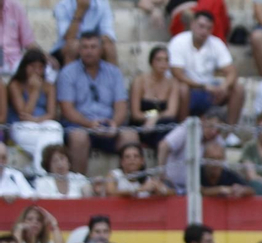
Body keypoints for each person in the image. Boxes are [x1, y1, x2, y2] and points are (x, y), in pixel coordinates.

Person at [56, 32, 138, 173]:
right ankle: (79, 184)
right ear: (80, 50)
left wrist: (114, 124)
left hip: (108, 124)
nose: (89, 51)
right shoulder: (68, 73)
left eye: (93, 47)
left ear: (100, 50)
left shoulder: (114, 72)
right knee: (78, 137)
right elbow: (67, 109)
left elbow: (121, 105)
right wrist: (89, 124)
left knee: (130, 135)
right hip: (80, 125)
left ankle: (129, 184)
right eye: (85, 47)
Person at [168, 10, 243, 130]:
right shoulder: (178, 42)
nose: (204, 31)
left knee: (237, 88)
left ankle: (230, 132)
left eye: (209, 28)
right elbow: (177, 74)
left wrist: (224, 86)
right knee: (182, 88)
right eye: (201, 26)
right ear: (192, 24)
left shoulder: (216, 43)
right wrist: (203, 86)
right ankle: (182, 131)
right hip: (190, 89)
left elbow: (231, 71)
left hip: (209, 90)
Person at [7, 48, 63, 174]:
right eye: (33, 66)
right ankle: (46, 174)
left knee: (55, 127)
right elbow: (24, 114)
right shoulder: (15, 84)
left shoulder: (49, 85)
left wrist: (36, 120)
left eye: (40, 67)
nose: (37, 71)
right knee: (51, 140)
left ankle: (38, 172)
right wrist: (35, 91)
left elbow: (52, 114)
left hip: (42, 123)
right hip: (21, 126)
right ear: (25, 66)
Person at [53, 0, 118, 66]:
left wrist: (91, 44)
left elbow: (108, 34)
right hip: (67, 46)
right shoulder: (62, 6)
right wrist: (80, 11)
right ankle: (69, 80)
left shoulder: (103, 4)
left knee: (109, 46)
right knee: (73, 46)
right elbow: (68, 37)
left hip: (95, 42)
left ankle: (114, 80)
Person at [157, 107, 224, 194]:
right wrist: (161, 175)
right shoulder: (188, 129)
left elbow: (222, 166)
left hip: (199, 189)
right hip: (172, 185)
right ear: (203, 120)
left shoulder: (218, 140)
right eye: (211, 126)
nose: (214, 132)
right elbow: (164, 146)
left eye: (218, 130)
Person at [130, 46, 183, 150]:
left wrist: (155, 118)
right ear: (151, 62)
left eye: (166, 60)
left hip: (162, 124)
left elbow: (171, 112)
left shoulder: (172, 83)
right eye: (159, 60)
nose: (163, 64)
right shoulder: (139, 81)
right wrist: (149, 117)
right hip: (143, 124)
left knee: (169, 123)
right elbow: (135, 113)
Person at [1, 0, 45, 80]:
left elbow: (28, 42)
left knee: (48, 72)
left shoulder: (16, 7)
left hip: (15, 61)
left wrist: (45, 57)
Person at [68, 215, 133, 243]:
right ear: (90, 233)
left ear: (110, 233)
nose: (102, 235)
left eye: (105, 231)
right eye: (97, 231)